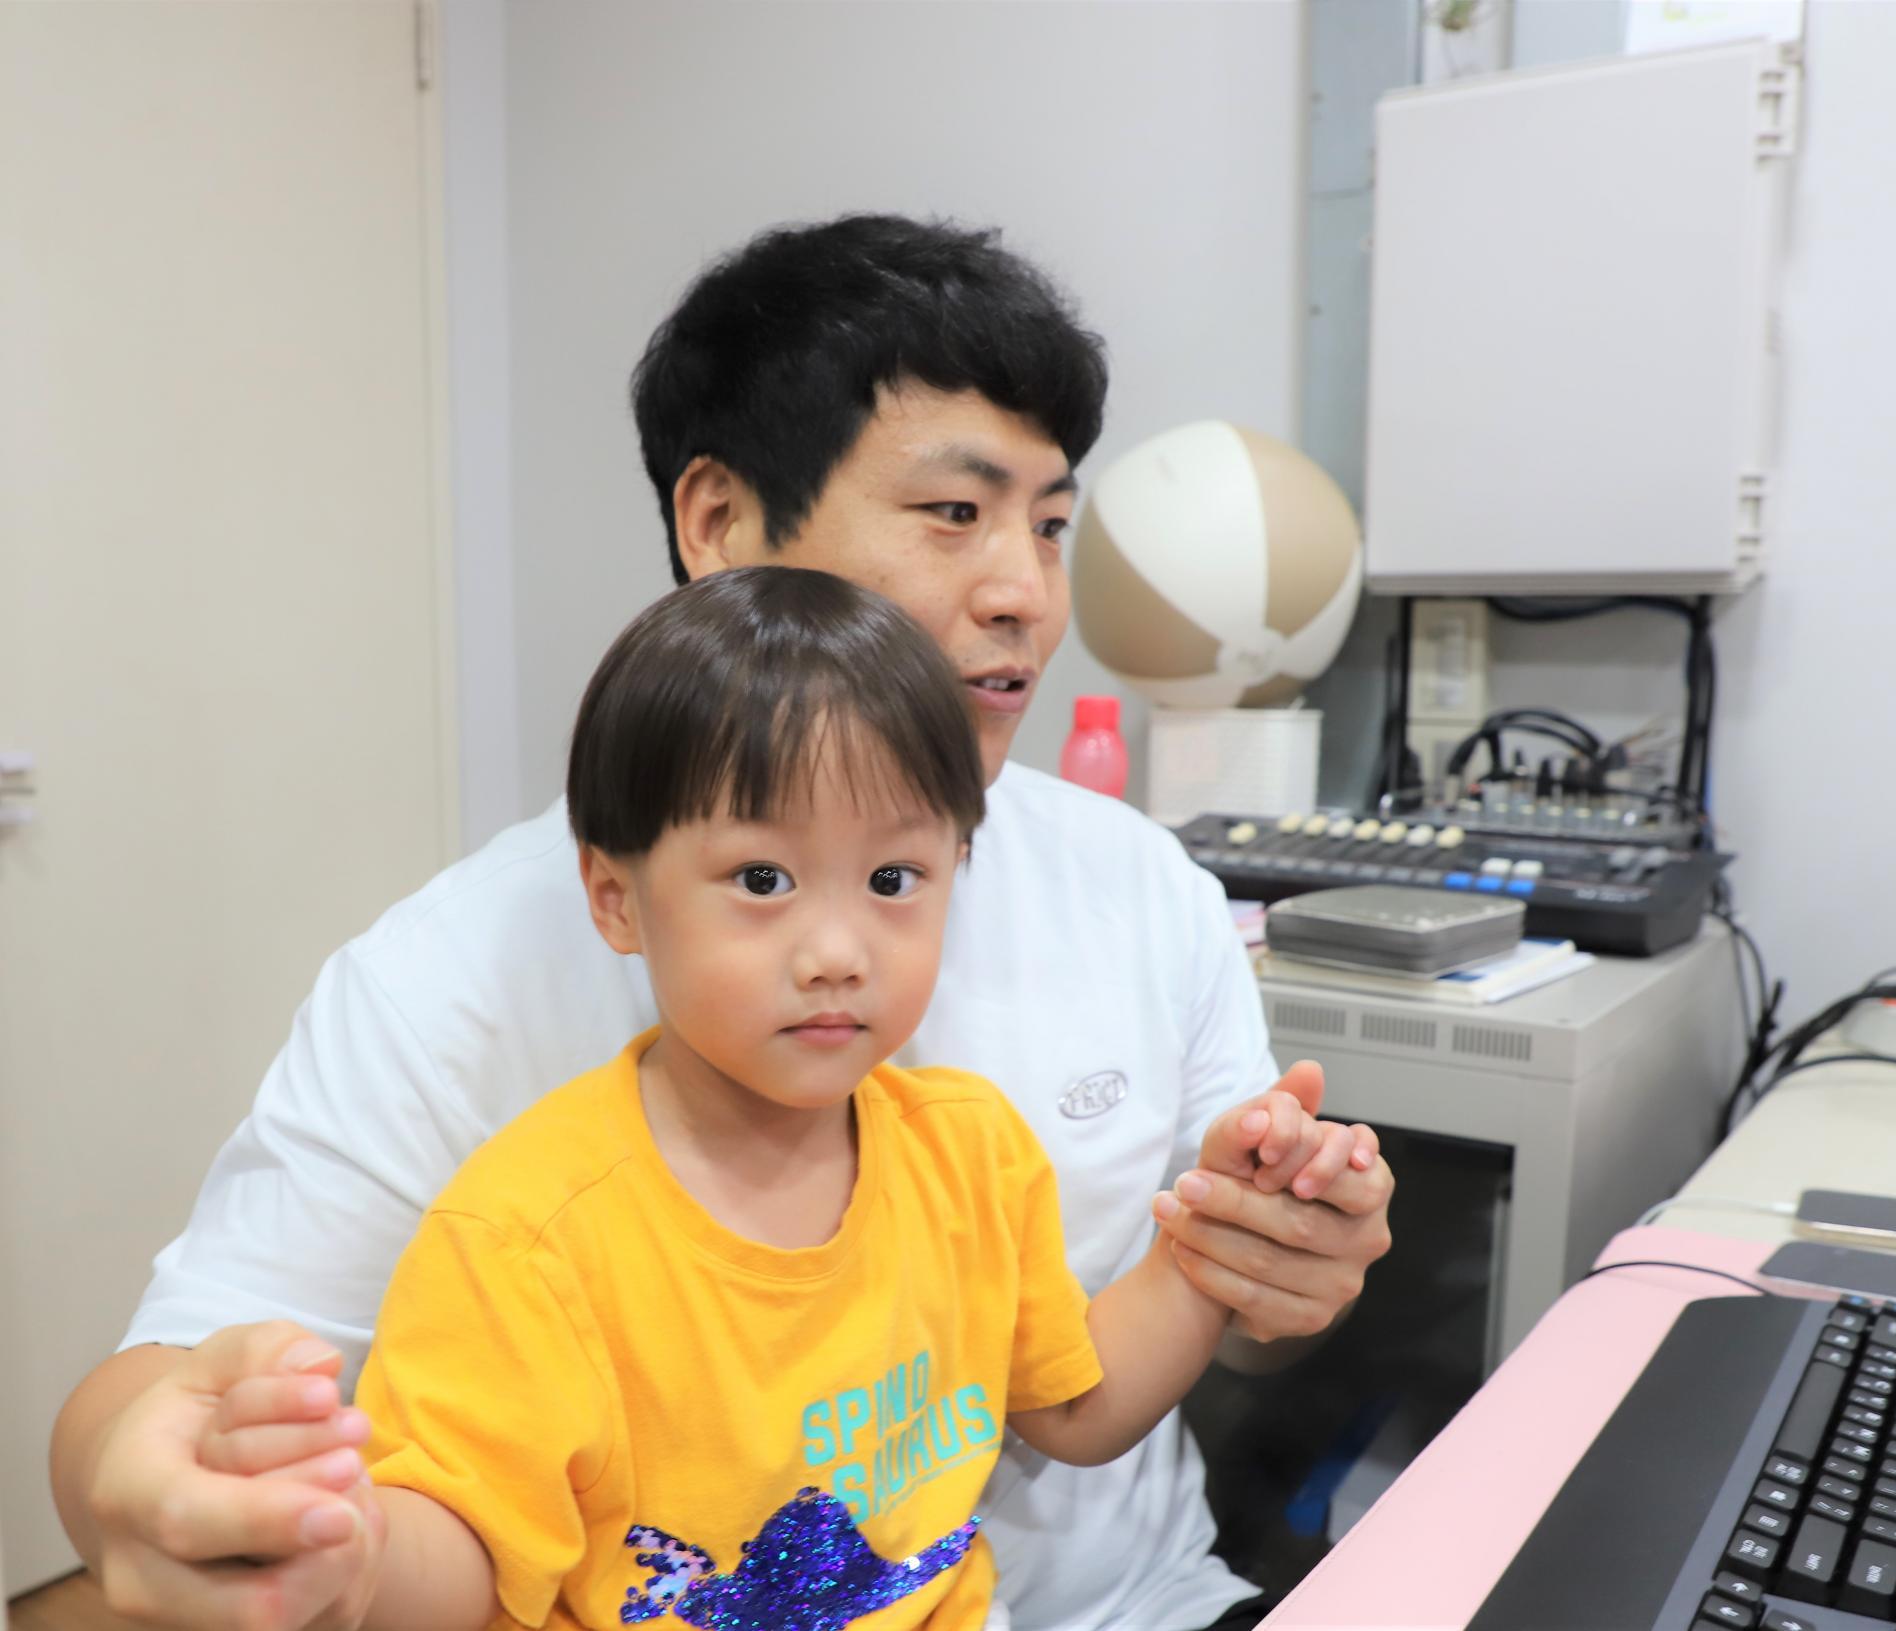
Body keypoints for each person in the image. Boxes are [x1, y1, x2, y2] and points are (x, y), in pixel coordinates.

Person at [52, 214, 1394, 1631]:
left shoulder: (1137, 891)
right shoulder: (448, 992)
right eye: (956, 511)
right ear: (718, 524)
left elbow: (1158, 1348)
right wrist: (146, 1480)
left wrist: (1272, 1256)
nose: (1026, 595)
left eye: (1051, 525)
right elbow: (181, 1382)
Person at [267, 565, 1329, 1631]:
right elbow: (462, 1555)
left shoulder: (969, 1154)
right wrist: (343, 1547)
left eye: (893, 879)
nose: (836, 953)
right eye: (762, 879)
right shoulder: (527, 1240)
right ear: (615, 897)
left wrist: (1215, 1237)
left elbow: (1078, 1406)